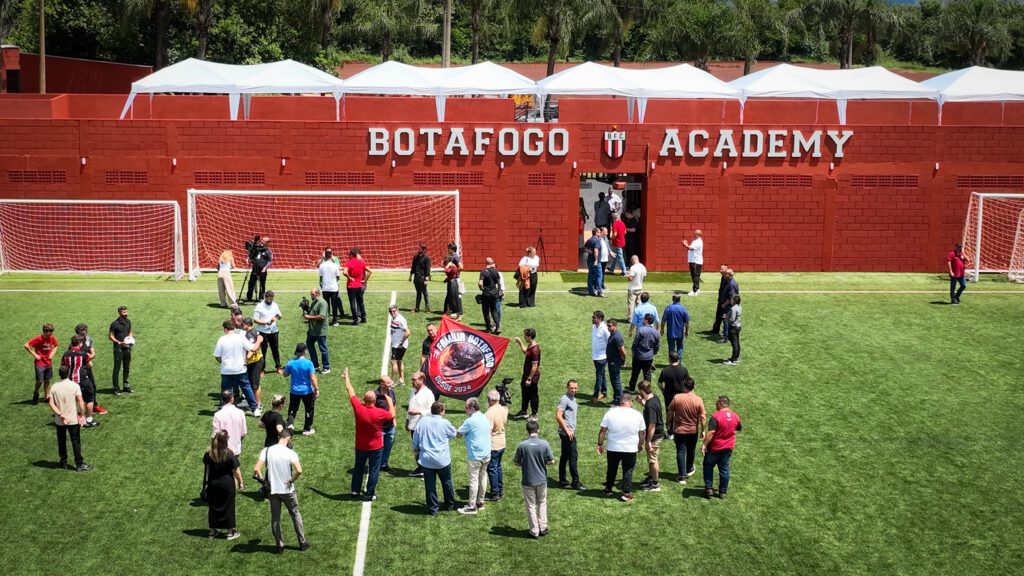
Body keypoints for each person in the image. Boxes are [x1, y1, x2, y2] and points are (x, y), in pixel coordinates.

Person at [254, 429, 310, 553]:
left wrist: (264, 481)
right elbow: (299, 470)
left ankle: (279, 545)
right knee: (295, 514)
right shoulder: (290, 453)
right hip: (288, 491)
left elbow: (257, 468)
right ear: (289, 439)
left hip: (273, 490)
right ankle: (302, 543)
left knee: (275, 518)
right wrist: (291, 480)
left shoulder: (267, 450)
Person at [345, 368, 395, 502]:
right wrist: (389, 401)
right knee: (374, 470)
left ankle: (355, 490)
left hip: (360, 445)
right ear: (375, 400)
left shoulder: (359, 408)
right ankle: (369, 494)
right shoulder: (379, 413)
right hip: (376, 447)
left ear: (364, 399)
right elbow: (392, 415)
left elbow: (350, 391)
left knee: (358, 467)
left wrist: (347, 377)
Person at [411, 401, 459, 515]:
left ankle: (433, 508)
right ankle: (449, 505)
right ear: (441, 411)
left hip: (426, 460)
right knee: (447, 481)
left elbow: (415, 439)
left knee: (429, 484)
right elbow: (455, 434)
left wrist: (416, 450)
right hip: (442, 460)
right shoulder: (445, 423)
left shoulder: (422, 421)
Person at [598, 393, 645, 502]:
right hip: (630, 448)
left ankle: (608, 489)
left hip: (613, 447)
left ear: (620, 402)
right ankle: (626, 493)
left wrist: (600, 444)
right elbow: (642, 432)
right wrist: (640, 444)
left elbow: (603, 430)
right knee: (628, 470)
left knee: (611, 468)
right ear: (631, 402)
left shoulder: (610, 413)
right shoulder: (637, 414)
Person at [514, 419, 555, 539]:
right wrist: (542, 462)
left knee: (531, 506)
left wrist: (526, 464)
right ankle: (543, 527)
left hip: (528, 480)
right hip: (541, 480)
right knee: (542, 503)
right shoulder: (544, 444)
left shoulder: (522, 445)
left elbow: (516, 462)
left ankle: (534, 531)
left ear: (527, 431)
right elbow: (552, 461)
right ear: (538, 430)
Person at [47, 365, 91, 471]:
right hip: (73, 419)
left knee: (61, 441)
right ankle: (79, 464)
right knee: (75, 441)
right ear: (69, 373)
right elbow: (81, 402)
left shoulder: (54, 387)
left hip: (59, 420)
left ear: (59, 374)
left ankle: (63, 461)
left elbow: (51, 403)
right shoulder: (74, 386)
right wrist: (82, 415)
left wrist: (60, 414)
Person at [213, 320, 259, 417]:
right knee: (246, 388)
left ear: (225, 329)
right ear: (233, 328)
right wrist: (259, 340)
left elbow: (217, 356)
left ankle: (223, 408)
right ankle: (255, 409)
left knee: (225, 390)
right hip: (240, 369)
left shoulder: (222, 339)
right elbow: (253, 348)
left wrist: (222, 362)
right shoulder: (240, 337)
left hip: (226, 370)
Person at [204, 430, 242, 540]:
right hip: (227, 484)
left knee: (213, 506)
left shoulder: (208, 454)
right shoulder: (229, 454)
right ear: (226, 441)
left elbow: (207, 469)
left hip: (213, 483)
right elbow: (236, 471)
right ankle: (230, 532)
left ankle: (212, 531)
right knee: (228, 507)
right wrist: (240, 482)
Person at [456, 397, 492, 514]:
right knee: (483, 477)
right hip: (486, 454)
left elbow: (458, 434)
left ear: (472, 408)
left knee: (474, 481)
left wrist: (462, 425)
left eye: (466, 407)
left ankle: (471, 506)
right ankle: (480, 502)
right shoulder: (484, 417)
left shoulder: (470, 421)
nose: (465, 409)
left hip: (475, 456)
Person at [702, 395, 742, 499]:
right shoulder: (735, 416)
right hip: (728, 448)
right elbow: (738, 428)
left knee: (708, 466)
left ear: (720, 404)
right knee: (724, 469)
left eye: (716, 403)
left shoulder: (716, 416)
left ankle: (709, 488)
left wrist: (704, 444)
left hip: (715, 448)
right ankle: (722, 492)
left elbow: (711, 433)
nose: (715, 404)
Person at [667, 376, 704, 482]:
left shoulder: (677, 397)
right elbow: (702, 417)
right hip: (693, 431)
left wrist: (668, 423)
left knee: (681, 451)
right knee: (691, 450)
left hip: (679, 430)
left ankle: (681, 476)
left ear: (684, 387)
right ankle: (689, 469)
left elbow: (670, 412)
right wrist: (703, 430)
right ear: (694, 386)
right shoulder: (698, 400)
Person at [555, 379, 586, 490]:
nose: (573, 390)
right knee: (573, 457)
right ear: (567, 387)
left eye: (575, 388)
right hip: (567, 433)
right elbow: (558, 415)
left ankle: (562, 480)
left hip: (567, 432)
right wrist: (568, 430)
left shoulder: (572, 399)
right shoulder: (565, 399)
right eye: (571, 388)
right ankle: (575, 482)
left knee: (565, 456)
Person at [61, 336, 98, 428]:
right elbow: (90, 365)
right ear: (80, 344)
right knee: (89, 399)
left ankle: (72, 419)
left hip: (70, 380)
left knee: (71, 400)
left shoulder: (65, 354)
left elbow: (63, 367)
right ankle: (89, 419)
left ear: (71, 343)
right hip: (83, 379)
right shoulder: (83, 354)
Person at [284, 343, 319, 436]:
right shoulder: (309, 363)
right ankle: (307, 429)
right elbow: (313, 378)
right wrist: (316, 389)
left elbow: (285, 374)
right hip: (307, 391)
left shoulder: (290, 363)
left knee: (292, 409)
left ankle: (290, 425)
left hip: (294, 391)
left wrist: (288, 368)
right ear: (304, 351)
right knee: (309, 409)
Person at [636, 381, 666, 492]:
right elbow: (650, 408)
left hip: (654, 436)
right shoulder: (654, 398)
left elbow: (652, 425)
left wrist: (648, 441)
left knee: (653, 460)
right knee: (651, 459)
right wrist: (641, 402)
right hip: (657, 433)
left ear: (642, 391)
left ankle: (655, 484)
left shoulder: (650, 405)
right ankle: (651, 478)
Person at [406, 371, 435, 477]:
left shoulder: (428, 393)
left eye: (414, 380)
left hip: (423, 426)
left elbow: (432, 410)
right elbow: (410, 406)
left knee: (424, 448)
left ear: (422, 380)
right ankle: (420, 467)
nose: (412, 381)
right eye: (412, 379)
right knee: (416, 448)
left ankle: (426, 469)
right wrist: (407, 420)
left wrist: (418, 412)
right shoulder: (413, 391)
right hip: (413, 425)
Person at [74, 324, 106, 416]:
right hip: (77, 369)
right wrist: (85, 357)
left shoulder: (89, 339)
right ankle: (77, 409)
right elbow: (72, 353)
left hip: (87, 367)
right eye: (82, 330)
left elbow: (93, 353)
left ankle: (94, 406)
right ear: (77, 331)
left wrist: (88, 357)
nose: (84, 332)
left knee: (93, 386)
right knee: (77, 389)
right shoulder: (74, 340)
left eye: (85, 330)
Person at [25, 323, 58, 405]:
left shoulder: (52, 338)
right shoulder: (38, 338)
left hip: (48, 363)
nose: (49, 333)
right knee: (40, 380)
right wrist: (35, 354)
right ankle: (36, 393)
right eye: (47, 331)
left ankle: (47, 396)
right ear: (44, 331)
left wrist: (52, 353)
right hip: (39, 363)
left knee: (47, 380)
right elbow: (26, 345)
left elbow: (56, 345)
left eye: (51, 331)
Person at [484, 389, 508, 502]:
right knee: (498, 467)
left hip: (493, 443)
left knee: (492, 468)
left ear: (490, 400)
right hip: (502, 441)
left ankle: (495, 493)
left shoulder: (489, 413)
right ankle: (500, 489)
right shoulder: (504, 409)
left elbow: (488, 431)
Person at [512, 328, 541, 419]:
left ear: (529, 337)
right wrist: (520, 343)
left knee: (533, 395)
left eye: (525, 336)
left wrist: (529, 379)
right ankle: (523, 411)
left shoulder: (535, 350)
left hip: (532, 377)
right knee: (525, 393)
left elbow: (535, 366)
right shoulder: (530, 345)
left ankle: (534, 414)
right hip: (527, 375)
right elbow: (526, 352)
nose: (524, 337)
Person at [254, 291, 284, 375]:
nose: (271, 301)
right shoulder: (259, 306)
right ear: (265, 297)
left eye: (272, 299)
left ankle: (278, 366)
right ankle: (262, 369)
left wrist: (276, 318)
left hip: (274, 331)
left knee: (275, 349)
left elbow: (279, 315)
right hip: (263, 331)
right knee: (263, 351)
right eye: (269, 299)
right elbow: (255, 320)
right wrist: (265, 322)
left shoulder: (275, 305)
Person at [628, 314, 660, 393]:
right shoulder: (655, 332)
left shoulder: (641, 330)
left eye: (643, 319)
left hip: (639, 355)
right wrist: (654, 352)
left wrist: (633, 352)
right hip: (649, 356)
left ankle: (632, 388)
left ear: (646, 320)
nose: (642, 320)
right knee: (647, 373)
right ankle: (647, 390)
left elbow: (635, 343)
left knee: (635, 372)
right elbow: (657, 345)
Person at [303, 288, 330, 374]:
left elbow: (322, 316)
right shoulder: (314, 302)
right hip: (312, 330)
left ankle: (326, 367)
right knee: (309, 345)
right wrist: (306, 308)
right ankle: (315, 365)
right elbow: (313, 312)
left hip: (320, 330)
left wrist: (309, 317)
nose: (311, 296)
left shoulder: (322, 303)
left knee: (323, 349)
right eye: (311, 294)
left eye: (312, 294)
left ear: (317, 294)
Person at [212, 390, 247, 456]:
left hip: (222, 451)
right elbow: (243, 433)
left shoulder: (217, 415)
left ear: (222, 400)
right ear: (232, 398)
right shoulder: (240, 413)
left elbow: (215, 435)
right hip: (236, 450)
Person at [108, 305, 134, 395]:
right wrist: (119, 342)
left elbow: (130, 331)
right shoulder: (114, 324)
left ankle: (126, 386)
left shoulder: (128, 321)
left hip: (127, 348)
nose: (126, 313)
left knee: (127, 367)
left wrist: (130, 338)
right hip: (118, 349)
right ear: (119, 313)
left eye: (126, 312)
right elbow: (110, 336)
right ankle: (116, 388)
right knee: (117, 369)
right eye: (124, 312)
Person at [374, 377, 398, 472]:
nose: (391, 384)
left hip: (390, 426)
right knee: (378, 448)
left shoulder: (391, 392)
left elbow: (394, 405)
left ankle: (383, 464)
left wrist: (394, 419)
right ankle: (376, 465)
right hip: (380, 427)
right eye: (388, 383)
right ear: (382, 384)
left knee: (388, 446)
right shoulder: (375, 395)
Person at [241, 317, 265, 412]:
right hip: (256, 360)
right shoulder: (254, 331)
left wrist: (246, 359)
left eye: (243, 324)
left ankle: (258, 405)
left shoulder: (249, 335)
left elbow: (253, 348)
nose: (242, 326)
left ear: (247, 325)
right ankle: (254, 402)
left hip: (255, 362)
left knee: (255, 385)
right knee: (253, 383)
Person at [344, 248, 371, 325]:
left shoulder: (349, 263)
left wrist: (349, 277)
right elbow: (370, 271)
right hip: (359, 285)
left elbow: (344, 272)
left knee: (353, 303)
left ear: (352, 255)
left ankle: (355, 319)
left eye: (349, 254)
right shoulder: (361, 262)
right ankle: (363, 318)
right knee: (361, 302)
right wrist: (365, 280)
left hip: (351, 286)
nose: (348, 256)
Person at [660, 294, 690, 361]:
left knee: (671, 347)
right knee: (680, 346)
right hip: (679, 332)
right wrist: (686, 331)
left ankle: (672, 361)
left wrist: (662, 329)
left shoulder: (668, 308)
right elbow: (687, 322)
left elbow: (663, 320)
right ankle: (679, 361)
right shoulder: (683, 309)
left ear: (672, 299)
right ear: (680, 300)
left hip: (671, 332)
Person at [318, 249, 344, 326]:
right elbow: (338, 277)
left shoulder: (322, 266)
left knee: (326, 305)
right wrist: (334, 283)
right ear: (331, 255)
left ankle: (325, 320)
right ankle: (335, 321)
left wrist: (322, 285)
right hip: (333, 288)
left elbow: (321, 278)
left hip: (325, 288)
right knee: (334, 305)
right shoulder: (335, 265)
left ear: (325, 256)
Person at [479, 257, 503, 334]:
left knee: (486, 311)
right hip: (494, 293)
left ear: (485, 263)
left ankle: (488, 329)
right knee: (494, 310)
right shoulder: (496, 271)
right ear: (492, 262)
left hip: (486, 294)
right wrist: (498, 292)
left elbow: (480, 283)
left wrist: (482, 289)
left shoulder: (483, 271)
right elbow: (499, 283)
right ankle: (497, 326)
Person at [245, 236, 273, 303]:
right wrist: (248, 258)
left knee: (262, 284)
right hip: (255, 268)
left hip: (262, 269)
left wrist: (265, 268)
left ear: (267, 243)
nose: (262, 241)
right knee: (251, 283)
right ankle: (249, 297)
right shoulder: (257, 248)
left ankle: (261, 297)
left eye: (264, 241)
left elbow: (270, 261)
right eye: (262, 240)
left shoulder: (268, 251)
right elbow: (252, 253)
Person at [605, 320, 627, 405]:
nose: (608, 327)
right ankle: (616, 398)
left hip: (615, 362)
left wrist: (623, 360)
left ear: (615, 326)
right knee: (614, 380)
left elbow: (622, 351)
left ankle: (620, 401)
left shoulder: (617, 337)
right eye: (607, 326)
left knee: (616, 381)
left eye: (610, 326)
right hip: (612, 361)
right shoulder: (613, 334)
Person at [388, 305, 411, 384]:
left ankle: (392, 381)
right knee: (399, 361)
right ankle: (401, 379)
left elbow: (408, 332)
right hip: (396, 343)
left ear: (397, 310)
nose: (392, 313)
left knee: (393, 362)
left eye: (394, 311)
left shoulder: (400, 320)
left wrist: (401, 342)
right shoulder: (394, 318)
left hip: (398, 345)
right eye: (390, 311)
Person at [590, 311, 610, 402]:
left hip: (602, 357)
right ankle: (604, 392)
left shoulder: (605, 329)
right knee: (602, 374)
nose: (592, 319)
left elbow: (610, 341)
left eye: (594, 317)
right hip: (595, 355)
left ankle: (595, 394)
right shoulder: (594, 326)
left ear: (600, 319)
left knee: (599, 375)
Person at [410, 243, 432, 312]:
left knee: (425, 292)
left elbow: (428, 269)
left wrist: (426, 279)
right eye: (418, 248)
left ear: (424, 249)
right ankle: (417, 308)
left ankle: (427, 308)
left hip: (422, 278)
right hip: (416, 278)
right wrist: (410, 276)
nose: (418, 249)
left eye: (420, 248)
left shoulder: (427, 258)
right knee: (418, 293)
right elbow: (413, 267)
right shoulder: (415, 257)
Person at [625, 256, 647, 322]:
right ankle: (639, 317)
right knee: (639, 304)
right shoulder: (643, 267)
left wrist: (627, 276)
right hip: (640, 288)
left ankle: (630, 318)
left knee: (631, 304)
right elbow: (644, 279)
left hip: (632, 288)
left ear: (633, 260)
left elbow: (630, 278)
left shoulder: (633, 268)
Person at [682, 229, 704, 296]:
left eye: (695, 233)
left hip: (696, 261)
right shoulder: (695, 240)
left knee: (695, 276)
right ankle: (697, 289)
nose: (694, 234)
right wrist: (686, 244)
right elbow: (691, 247)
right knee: (694, 275)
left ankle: (695, 291)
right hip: (693, 260)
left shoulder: (699, 242)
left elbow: (691, 249)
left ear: (698, 234)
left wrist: (685, 244)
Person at [723, 295, 743, 365]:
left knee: (734, 344)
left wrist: (726, 318)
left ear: (734, 301)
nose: (730, 300)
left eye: (731, 299)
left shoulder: (733, 308)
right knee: (737, 343)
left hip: (733, 328)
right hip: (738, 326)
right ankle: (736, 357)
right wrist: (727, 316)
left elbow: (732, 320)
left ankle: (733, 360)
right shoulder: (739, 306)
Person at [584, 227, 603, 297]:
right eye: (599, 232)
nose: (600, 233)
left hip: (589, 261)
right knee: (599, 276)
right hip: (595, 262)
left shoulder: (589, 240)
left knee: (590, 276)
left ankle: (590, 291)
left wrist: (589, 251)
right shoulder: (597, 240)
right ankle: (599, 292)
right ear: (596, 233)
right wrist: (596, 260)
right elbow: (596, 250)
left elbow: (585, 248)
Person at [443, 255, 463, 321]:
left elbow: (446, 270)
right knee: (450, 299)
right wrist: (447, 279)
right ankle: (448, 313)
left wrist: (448, 265)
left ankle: (458, 316)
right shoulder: (452, 266)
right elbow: (453, 275)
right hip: (451, 283)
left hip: (453, 284)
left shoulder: (452, 266)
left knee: (455, 300)